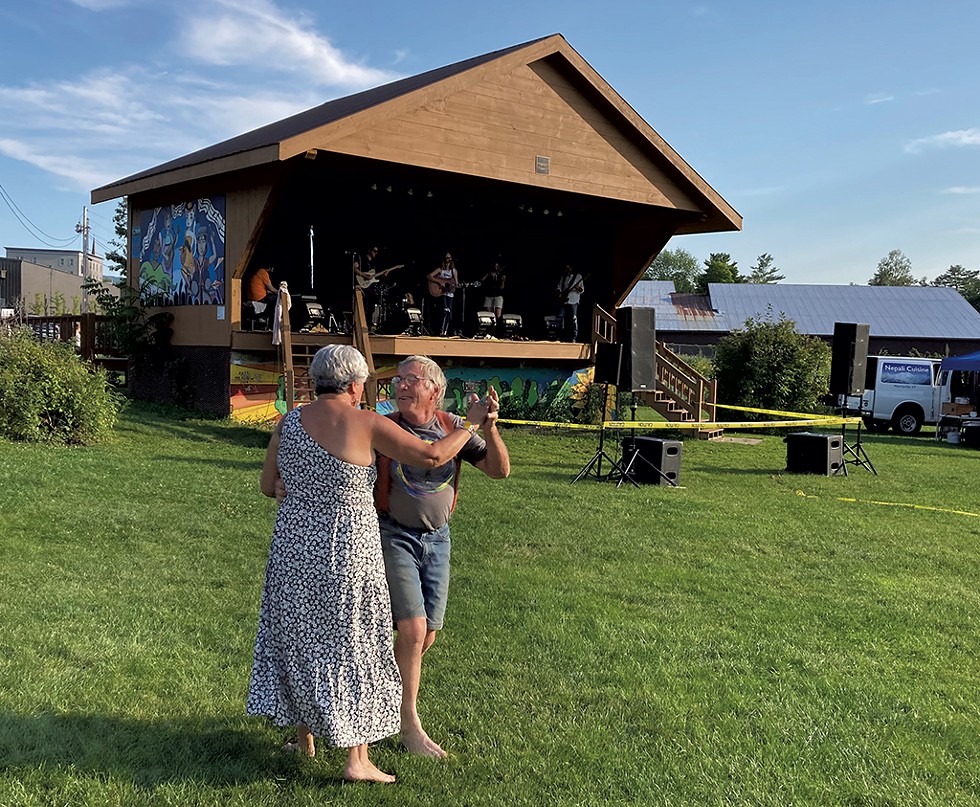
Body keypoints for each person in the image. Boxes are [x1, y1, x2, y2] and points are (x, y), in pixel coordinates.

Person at [247, 345, 489, 783]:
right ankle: (357, 761)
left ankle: (305, 735)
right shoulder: (366, 421)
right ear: (356, 384)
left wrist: (299, 486)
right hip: (346, 551)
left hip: (293, 548)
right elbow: (432, 457)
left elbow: (268, 485)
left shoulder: (288, 423)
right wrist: (470, 425)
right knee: (356, 647)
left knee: (303, 636)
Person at [377, 355, 510, 757]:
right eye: (398, 379)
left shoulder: (452, 426)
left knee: (427, 634)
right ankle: (408, 724)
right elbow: (433, 455)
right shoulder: (386, 427)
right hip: (393, 533)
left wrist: (490, 429)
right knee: (414, 630)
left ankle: (380, 694)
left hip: (438, 539)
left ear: (435, 390)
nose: (400, 386)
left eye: (410, 380)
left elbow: (499, 470)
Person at [427, 253, 458, 336]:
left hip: (450, 294)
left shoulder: (453, 271)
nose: (448, 259)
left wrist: (454, 286)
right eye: (447, 258)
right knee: (444, 311)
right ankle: (441, 330)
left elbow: (456, 283)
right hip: (442, 293)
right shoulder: (440, 270)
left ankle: (445, 331)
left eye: (450, 258)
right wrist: (440, 281)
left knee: (448, 312)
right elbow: (429, 276)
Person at [556, 264, 586, 342]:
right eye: (566, 268)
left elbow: (582, 290)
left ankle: (573, 337)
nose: (567, 270)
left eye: (569, 268)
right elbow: (559, 287)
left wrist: (577, 288)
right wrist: (559, 293)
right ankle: (563, 336)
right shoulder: (564, 277)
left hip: (574, 301)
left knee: (573, 319)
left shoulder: (578, 276)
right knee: (562, 319)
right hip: (564, 301)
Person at [480, 260, 506, 325]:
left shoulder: (501, 275)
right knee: (488, 314)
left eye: (497, 266)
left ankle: (497, 329)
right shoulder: (488, 274)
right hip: (489, 295)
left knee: (498, 315)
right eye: (494, 266)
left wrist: (503, 281)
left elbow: (502, 287)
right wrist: (489, 274)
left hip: (498, 296)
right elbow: (481, 280)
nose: (496, 268)